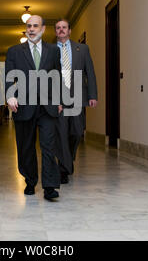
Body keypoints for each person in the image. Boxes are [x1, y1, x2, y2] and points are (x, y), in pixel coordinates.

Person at [5, 15, 63, 201]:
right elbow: (8, 77)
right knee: (25, 146)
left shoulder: (53, 50)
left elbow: (57, 76)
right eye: (28, 26)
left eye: (35, 26)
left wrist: (60, 100)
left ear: (43, 29)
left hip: (48, 105)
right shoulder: (14, 51)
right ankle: (30, 181)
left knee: (48, 146)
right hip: (23, 105)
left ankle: (49, 187)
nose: (31, 29)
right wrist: (10, 95)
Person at [54, 19, 98, 184]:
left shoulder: (82, 49)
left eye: (64, 27)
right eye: (58, 28)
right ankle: (63, 168)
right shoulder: (50, 50)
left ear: (70, 30)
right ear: (55, 32)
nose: (61, 30)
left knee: (77, 131)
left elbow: (90, 72)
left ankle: (68, 157)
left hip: (79, 95)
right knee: (62, 133)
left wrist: (93, 95)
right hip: (59, 98)